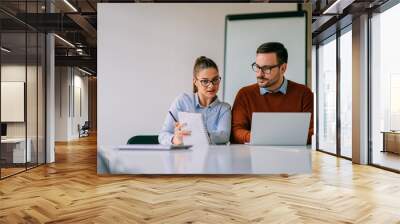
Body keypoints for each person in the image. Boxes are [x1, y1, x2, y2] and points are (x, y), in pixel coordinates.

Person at [231, 42, 313, 144]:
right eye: (257, 67)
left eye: (266, 69)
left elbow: (313, 131)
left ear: (283, 68)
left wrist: (274, 138)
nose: (259, 74)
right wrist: (260, 138)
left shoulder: (304, 94)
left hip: (294, 156)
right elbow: (235, 131)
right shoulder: (244, 94)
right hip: (255, 156)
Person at [159, 56, 231, 145]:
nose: (211, 86)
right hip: (185, 157)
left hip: (213, 157)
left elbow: (224, 136)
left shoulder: (224, 108)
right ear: (195, 81)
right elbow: (163, 135)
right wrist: (175, 139)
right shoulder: (182, 101)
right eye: (205, 81)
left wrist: (198, 134)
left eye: (215, 80)